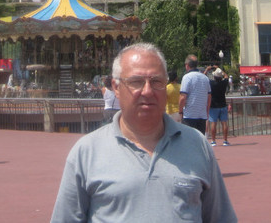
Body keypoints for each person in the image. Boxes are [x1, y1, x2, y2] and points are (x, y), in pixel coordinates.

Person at [51, 43, 237, 222]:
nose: (147, 91)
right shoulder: (86, 152)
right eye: (136, 82)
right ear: (116, 87)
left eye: (156, 81)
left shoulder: (198, 145)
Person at [179, 54, 211, 135]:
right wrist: (206, 112)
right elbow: (209, 97)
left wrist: (180, 112)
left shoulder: (187, 77)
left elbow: (183, 97)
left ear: (187, 65)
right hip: (201, 116)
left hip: (189, 116)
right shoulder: (205, 78)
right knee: (199, 141)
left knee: (188, 141)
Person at [208, 68, 230, 146]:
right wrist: (220, 69)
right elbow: (226, 76)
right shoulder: (224, 83)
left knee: (213, 123)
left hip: (213, 106)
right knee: (224, 123)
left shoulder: (211, 83)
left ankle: (213, 141)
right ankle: (225, 140)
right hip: (223, 105)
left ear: (214, 76)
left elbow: (203, 76)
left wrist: (207, 69)